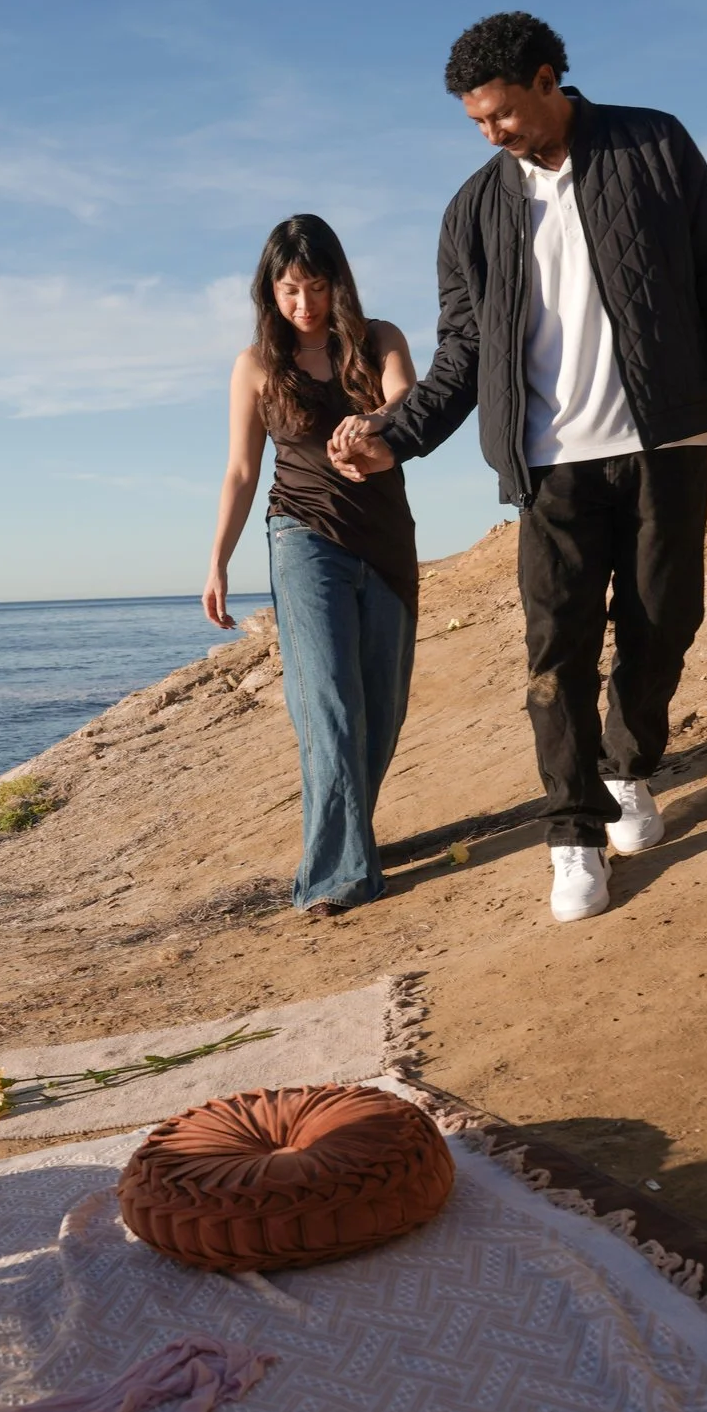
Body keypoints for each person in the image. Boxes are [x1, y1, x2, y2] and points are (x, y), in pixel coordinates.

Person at [329, 11, 707, 925]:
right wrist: (399, 431)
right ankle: (573, 832)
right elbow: (461, 352)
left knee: (665, 621)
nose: (490, 133)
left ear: (548, 81)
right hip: (549, 466)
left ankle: (628, 770)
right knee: (559, 650)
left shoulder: (654, 143)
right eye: (475, 123)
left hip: (664, 440)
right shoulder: (472, 210)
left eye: (500, 113)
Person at [205, 215, 421, 917]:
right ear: (269, 290)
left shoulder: (379, 340)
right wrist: (218, 561)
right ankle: (334, 877)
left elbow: (407, 401)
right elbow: (241, 469)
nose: (304, 303)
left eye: (317, 286)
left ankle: (350, 836)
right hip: (301, 536)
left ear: (338, 283)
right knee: (329, 703)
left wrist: (374, 423)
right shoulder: (257, 365)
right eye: (290, 289)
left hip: (384, 539)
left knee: (381, 709)